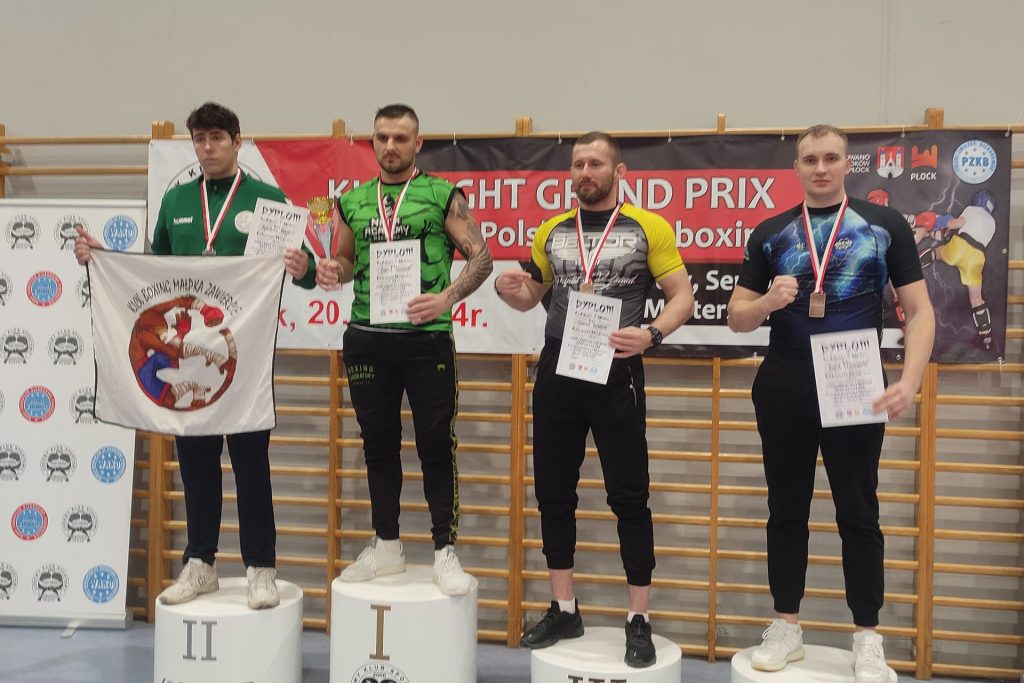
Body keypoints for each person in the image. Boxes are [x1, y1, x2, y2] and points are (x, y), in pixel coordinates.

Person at [75, 102, 315, 610]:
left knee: (251, 465)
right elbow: (153, 272)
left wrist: (302, 265)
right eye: (200, 140)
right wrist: (101, 258)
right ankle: (201, 562)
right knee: (196, 466)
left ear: (237, 141)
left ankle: (261, 568)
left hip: (240, 358)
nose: (207, 148)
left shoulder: (268, 200)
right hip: (185, 355)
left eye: (217, 138)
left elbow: (309, 272)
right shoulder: (177, 200)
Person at [727, 125, 934, 682]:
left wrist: (910, 380)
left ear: (847, 164)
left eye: (831, 158)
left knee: (859, 512)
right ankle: (786, 626)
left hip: (854, 377)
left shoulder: (884, 225)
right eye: (810, 159)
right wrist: (768, 301)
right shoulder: (771, 232)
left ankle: (867, 636)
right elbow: (737, 317)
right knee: (786, 509)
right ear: (796, 167)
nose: (820, 168)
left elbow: (921, 311)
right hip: (786, 380)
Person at [493, 132, 693, 668]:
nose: (586, 172)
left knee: (629, 496)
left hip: (616, 368)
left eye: (596, 163)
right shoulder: (553, 229)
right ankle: (564, 608)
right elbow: (532, 295)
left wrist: (651, 334)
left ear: (618, 171)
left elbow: (683, 297)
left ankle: (638, 617)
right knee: (553, 493)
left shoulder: (648, 227)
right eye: (578, 163)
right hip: (559, 366)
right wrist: (510, 291)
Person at [315, 104, 492, 596]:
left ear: (418, 143)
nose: (390, 146)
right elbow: (345, 261)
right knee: (377, 446)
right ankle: (387, 544)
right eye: (382, 137)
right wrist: (332, 271)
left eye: (400, 137)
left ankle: (444, 551)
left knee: (436, 445)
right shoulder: (353, 201)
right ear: (372, 142)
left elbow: (481, 257)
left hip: (425, 337)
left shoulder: (441, 195)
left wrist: (446, 297)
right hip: (367, 337)